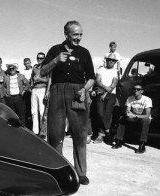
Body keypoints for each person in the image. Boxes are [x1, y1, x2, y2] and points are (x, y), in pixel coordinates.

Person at [40, 21, 95, 185]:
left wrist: (84, 90)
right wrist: (56, 60)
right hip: (57, 92)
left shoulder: (84, 53)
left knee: (80, 133)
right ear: (66, 34)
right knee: (55, 134)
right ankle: (57, 170)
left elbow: (91, 77)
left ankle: (81, 172)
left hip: (78, 93)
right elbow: (42, 72)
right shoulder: (55, 50)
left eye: (81, 35)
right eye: (75, 34)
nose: (79, 38)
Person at [112, 84, 152, 154]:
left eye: (138, 89)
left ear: (142, 91)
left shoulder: (147, 99)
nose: (135, 91)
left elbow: (147, 115)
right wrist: (128, 114)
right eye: (134, 89)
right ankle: (119, 141)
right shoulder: (130, 98)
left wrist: (134, 115)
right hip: (134, 117)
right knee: (122, 118)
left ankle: (142, 145)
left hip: (142, 118)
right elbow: (127, 111)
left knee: (146, 120)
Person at [93, 53, 119, 144]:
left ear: (115, 62)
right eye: (109, 60)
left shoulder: (115, 71)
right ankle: (108, 130)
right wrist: (105, 89)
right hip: (101, 92)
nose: (111, 62)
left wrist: (106, 92)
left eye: (113, 60)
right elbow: (97, 81)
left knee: (108, 114)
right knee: (100, 113)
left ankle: (101, 134)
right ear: (106, 60)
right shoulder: (101, 69)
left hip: (111, 94)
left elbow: (114, 82)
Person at [30, 52, 49, 136]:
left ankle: (43, 131)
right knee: (34, 111)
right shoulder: (34, 67)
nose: (39, 59)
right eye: (38, 58)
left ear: (44, 59)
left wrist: (40, 79)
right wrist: (31, 86)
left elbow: (49, 80)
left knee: (42, 112)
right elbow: (31, 78)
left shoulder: (47, 67)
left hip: (42, 89)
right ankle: (35, 131)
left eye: (41, 58)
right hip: (34, 89)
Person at [21, 58, 33, 129]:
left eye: (28, 63)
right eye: (25, 64)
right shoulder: (22, 71)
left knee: (32, 109)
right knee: (26, 108)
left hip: (32, 91)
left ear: (30, 63)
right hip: (25, 91)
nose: (27, 65)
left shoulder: (33, 69)